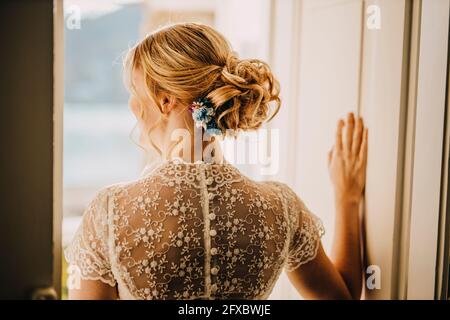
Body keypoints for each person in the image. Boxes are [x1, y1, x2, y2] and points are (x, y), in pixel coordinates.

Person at [65, 23, 368, 300]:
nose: (133, 105)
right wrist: (348, 198)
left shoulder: (109, 212)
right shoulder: (282, 208)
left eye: (135, 91)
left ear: (165, 100)